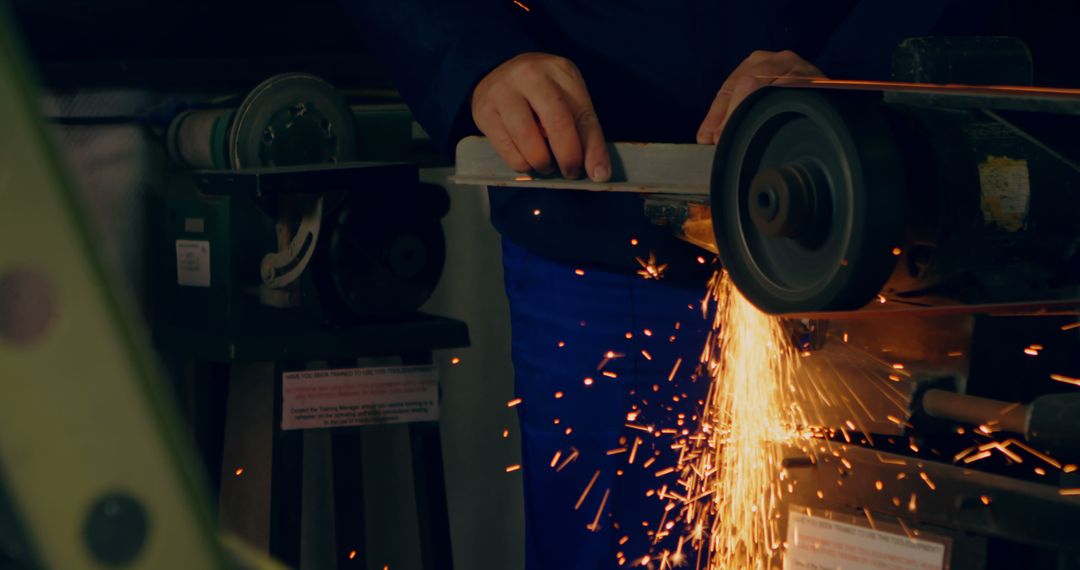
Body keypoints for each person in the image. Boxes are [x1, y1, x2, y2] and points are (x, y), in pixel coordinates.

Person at [342, 2, 998, 567]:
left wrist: (861, 61)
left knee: (890, 529)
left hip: (876, 189)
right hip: (607, 227)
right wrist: (476, 52)